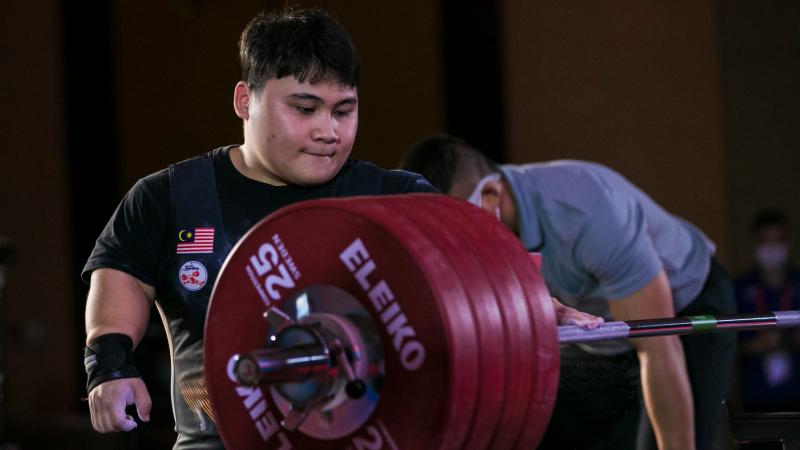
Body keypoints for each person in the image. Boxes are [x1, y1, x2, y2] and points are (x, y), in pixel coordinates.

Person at [81, 9, 438, 449]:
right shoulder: (168, 198)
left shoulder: (398, 200)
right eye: (305, 109)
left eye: (343, 111)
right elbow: (120, 288)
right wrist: (111, 369)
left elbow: (484, 281)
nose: (328, 131)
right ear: (244, 100)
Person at [400, 134, 737, 450]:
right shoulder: (469, 230)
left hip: (681, 312)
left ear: (491, 198)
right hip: (593, 330)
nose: (453, 244)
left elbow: (658, 347)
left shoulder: (587, 212)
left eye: (458, 227)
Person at [734, 209, 800, 412]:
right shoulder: (739, 288)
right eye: (765, 241)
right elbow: (725, 343)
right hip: (756, 400)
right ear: (755, 244)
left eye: (778, 241)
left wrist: (789, 342)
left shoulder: (797, 284)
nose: (772, 249)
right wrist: (752, 346)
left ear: (788, 242)